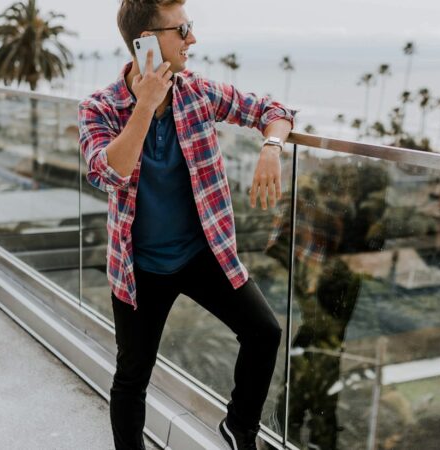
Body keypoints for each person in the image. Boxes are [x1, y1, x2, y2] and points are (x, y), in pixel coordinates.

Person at [77, 1, 297, 449]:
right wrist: (145, 106)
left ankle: (240, 428)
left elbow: (271, 109)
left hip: (202, 254)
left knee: (265, 333)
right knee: (132, 376)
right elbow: (108, 172)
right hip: (139, 268)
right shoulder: (98, 108)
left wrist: (271, 146)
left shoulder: (198, 92)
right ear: (147, 42)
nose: (191, 39)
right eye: (183, 29)